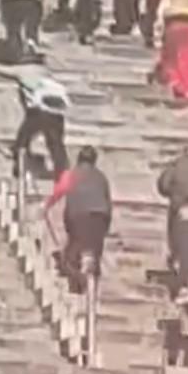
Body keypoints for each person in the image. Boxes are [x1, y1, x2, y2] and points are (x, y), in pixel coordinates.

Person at [47, 146, 113, 285]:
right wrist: (105, 227)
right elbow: (108, 203)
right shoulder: (101, 177)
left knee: (72, 256)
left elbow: (58, 192)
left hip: (78, 217)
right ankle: (91, 284)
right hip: (99, 218)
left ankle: (79, 281)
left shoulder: (72, 174)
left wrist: (46, 206)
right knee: (93, 255)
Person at [157, 148, 188, 308]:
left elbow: (163, 186)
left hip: (181, 217)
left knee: (181, 253)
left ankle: (184, 286)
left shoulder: (178, 165)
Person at [12, 67, 70, 178]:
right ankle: (62, 171)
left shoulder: (31, 82)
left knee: (23, 140)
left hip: (41, 112)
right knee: (56, 144)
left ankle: (19, 166)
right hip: (57, 115)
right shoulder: (54, 85)